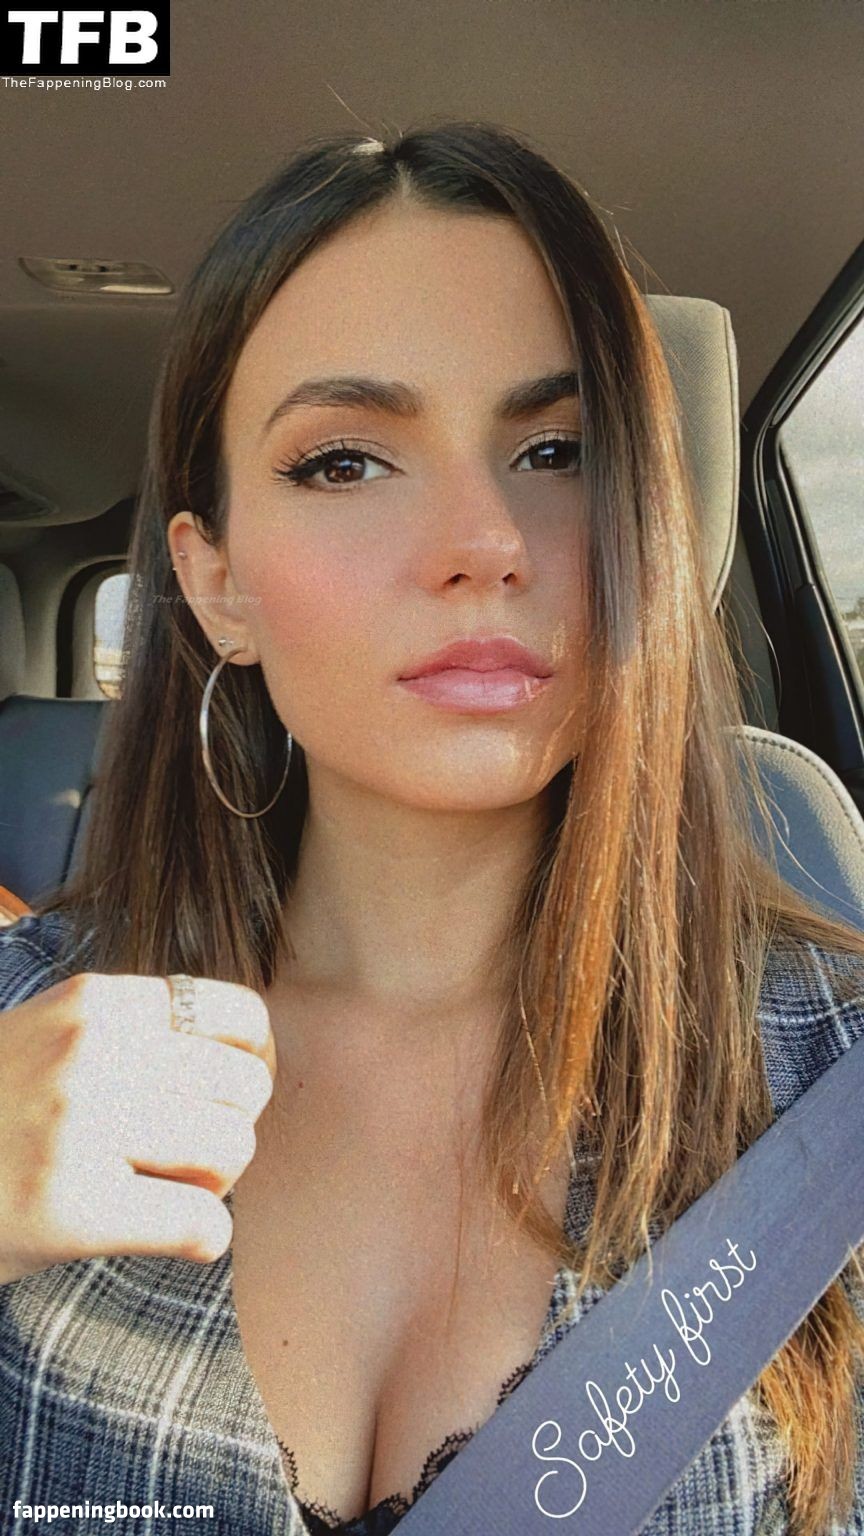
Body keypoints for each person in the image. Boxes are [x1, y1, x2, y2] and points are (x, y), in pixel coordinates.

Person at [0, 120, 862, 1536]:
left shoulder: (831, 1081)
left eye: (557, 450)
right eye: (346, 461)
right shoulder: (21, 1035)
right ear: (215, 586)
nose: (485, 542)